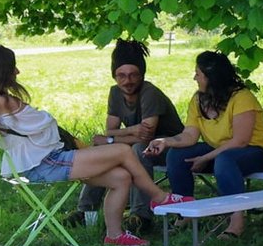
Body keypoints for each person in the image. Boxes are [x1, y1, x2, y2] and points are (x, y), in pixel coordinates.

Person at [0, 45, 189, 246]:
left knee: (120, 178)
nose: (17, 72)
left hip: (35, 163)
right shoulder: (3, 101)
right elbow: (45, 123)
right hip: (46, 163)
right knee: (123, 151)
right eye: (12, 68)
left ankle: (115, 235)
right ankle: (159, 197)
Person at [142, 51, 263, 240]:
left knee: (224, 160)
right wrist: (165, 142)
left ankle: (236, 220)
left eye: (198, 73)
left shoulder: (242, 97)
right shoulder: (198, 99)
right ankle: (185, 211)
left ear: (211, 77)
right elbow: (189, 135)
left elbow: (241, 141)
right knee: (176, 154)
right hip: (219, 151)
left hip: (255, 151)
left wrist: (206, 158)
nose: (194, 78)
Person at [76, 40, 186, 225]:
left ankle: (141, 216)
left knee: (138, 149)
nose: (127, 81)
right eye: (121, 75)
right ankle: (86, 212)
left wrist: (113, 139)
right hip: (139, 145)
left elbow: (146, 136)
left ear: (142, 74)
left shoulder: (149, 93)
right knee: (101, 149)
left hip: (171, 148)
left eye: (133, 75)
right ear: (114, 76)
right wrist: (128, 131)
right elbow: (110, 130)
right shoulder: (115, 93)